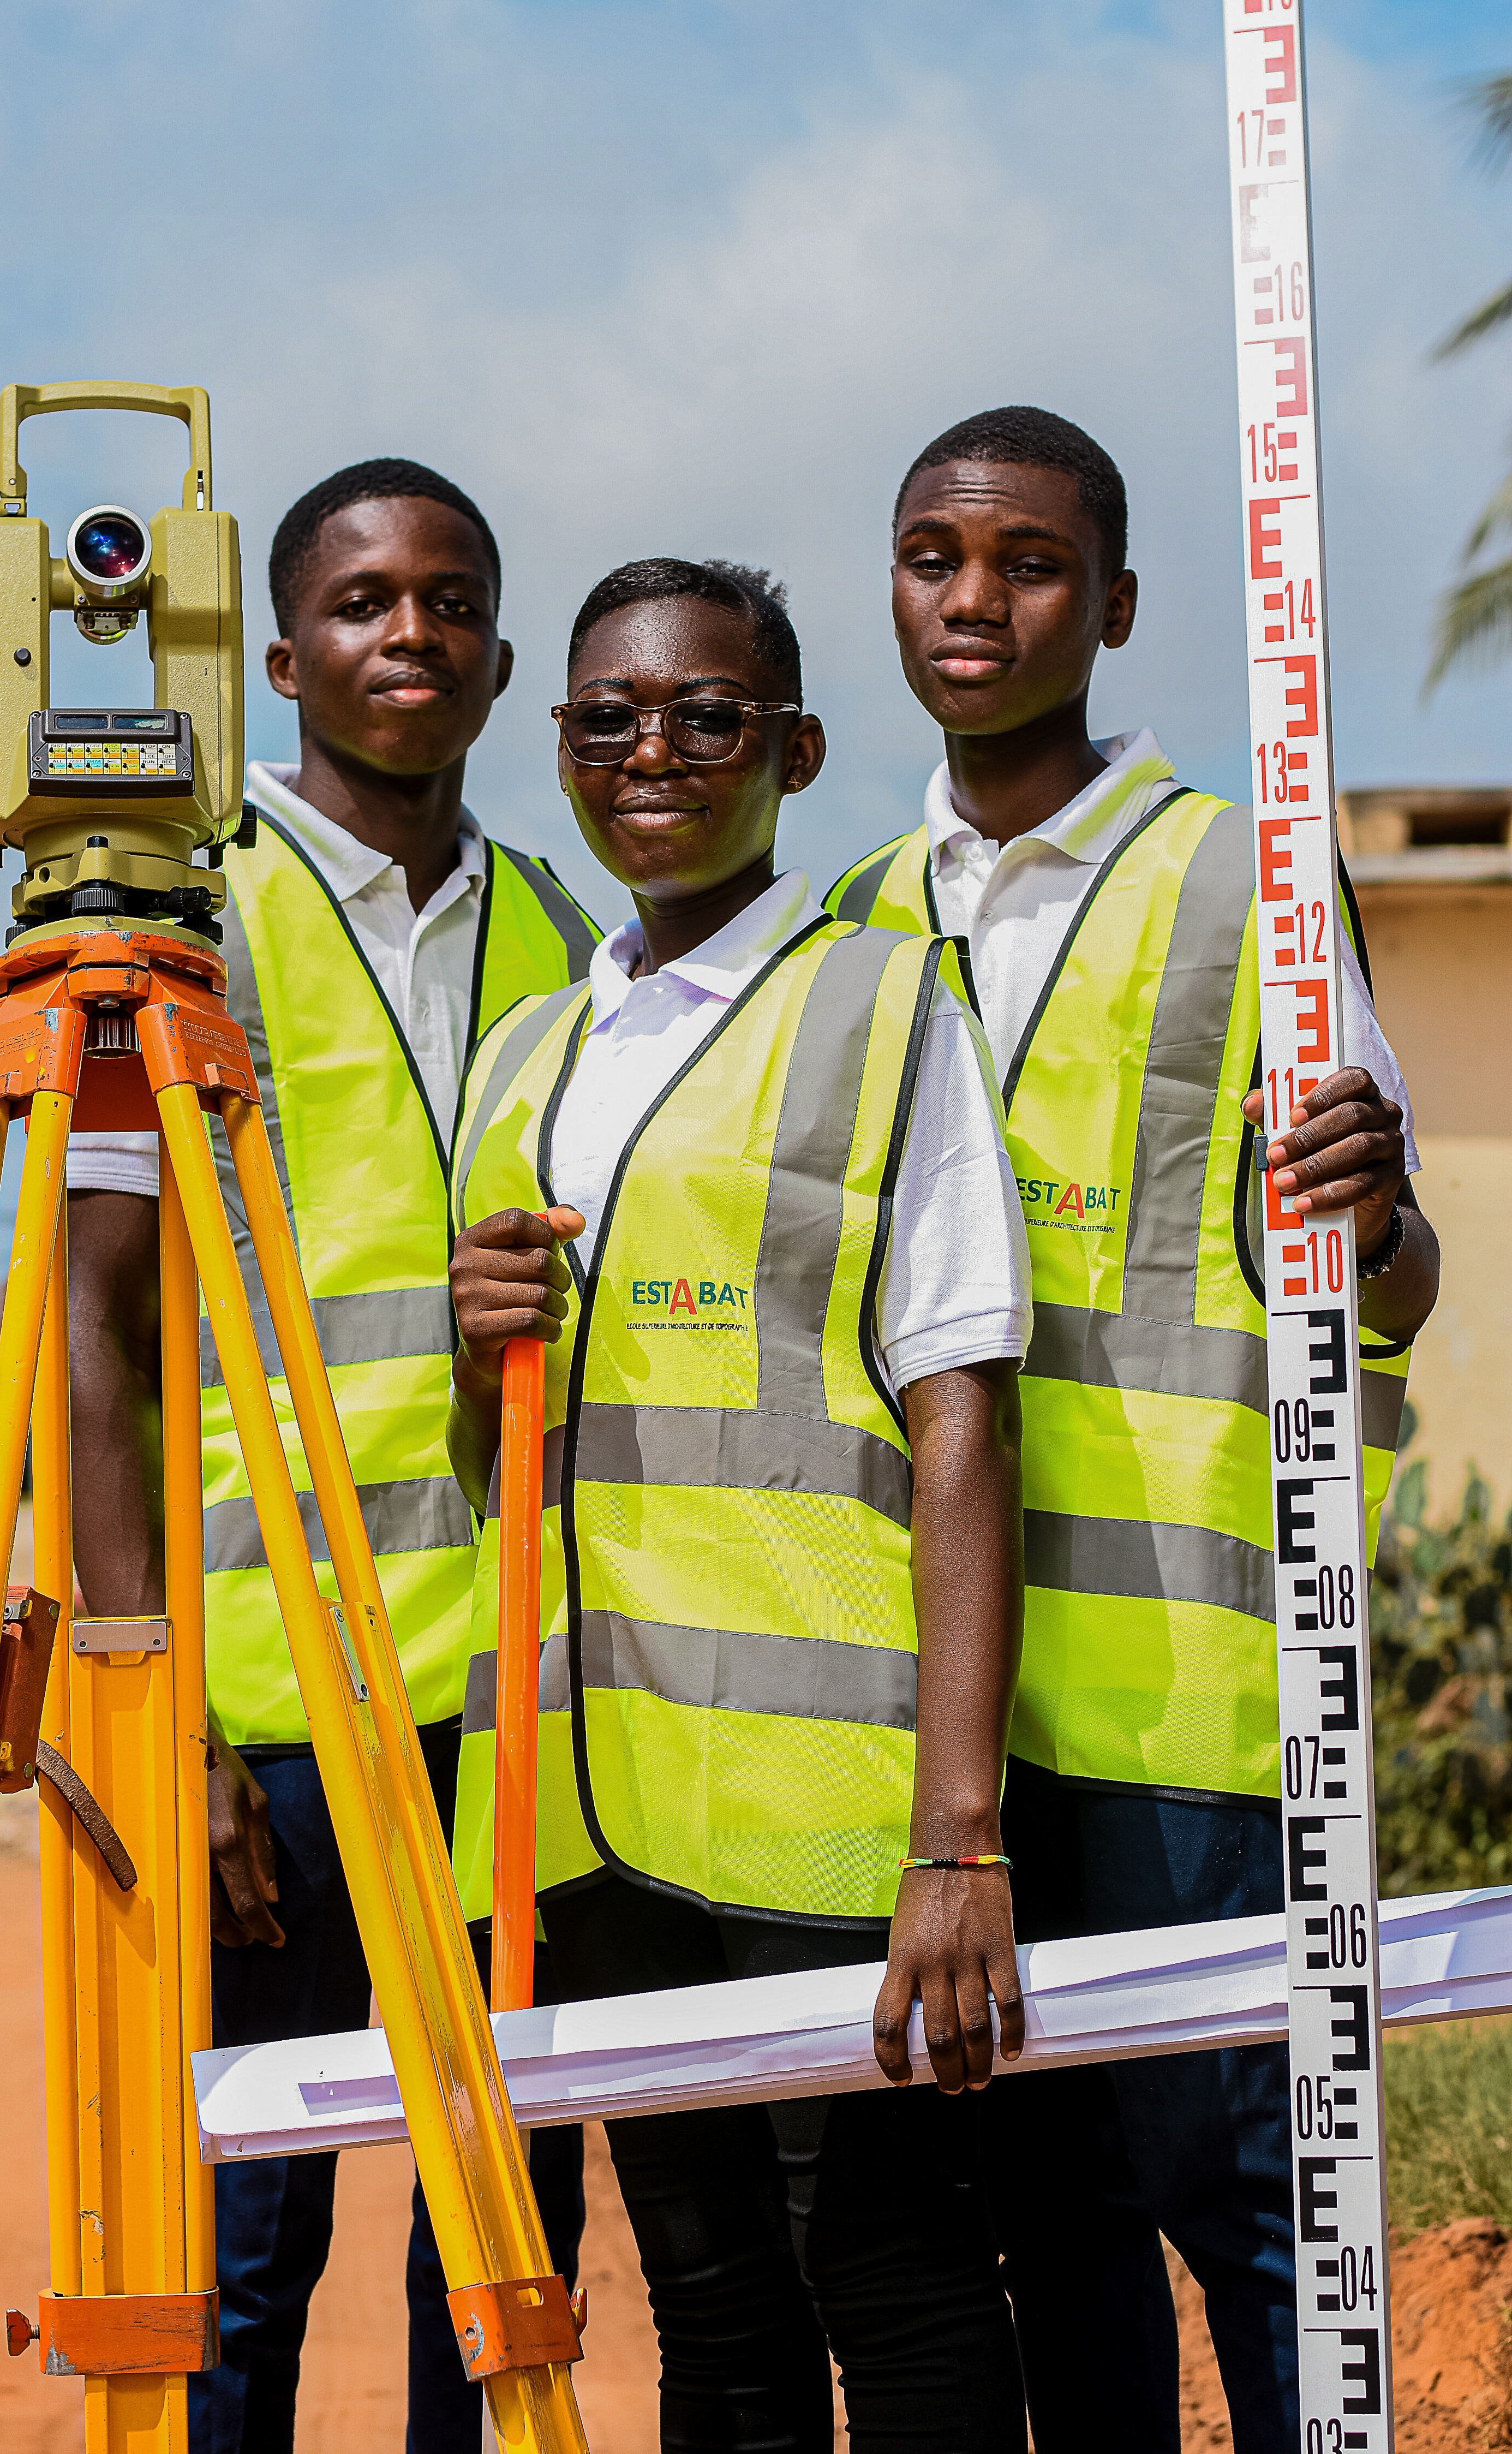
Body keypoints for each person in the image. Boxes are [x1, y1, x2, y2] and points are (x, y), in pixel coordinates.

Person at [825, 406, 1441, 2454]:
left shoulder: (1249, 877)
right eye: (935, 556)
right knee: (1046, 2225)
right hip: (937, 1718)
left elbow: (1396, 1277)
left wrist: (1381, 1210)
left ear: (1118, 604)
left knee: (1249, 2209)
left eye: (1028, 562)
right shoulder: (844, 909)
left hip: (1193, 1695)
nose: (974, 599)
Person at [446, 555, 1035, 2453]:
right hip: (586, 1815)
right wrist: (480, 1352)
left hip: (824, 1823)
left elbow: (964, 1415)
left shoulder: (879, 1004)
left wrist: (959, 1839)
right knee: (708, 2310)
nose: (652, 752)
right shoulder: (530, 1049)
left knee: (901, 2286)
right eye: (608, 718)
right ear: (561, 750)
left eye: (704, 716)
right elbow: (508, 1471)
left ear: (790, 747)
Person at [67, 458, 594, 2453]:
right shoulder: (183, 916)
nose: (411, 635)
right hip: (269, 1712)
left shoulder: (559, 918)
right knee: (248, 2252)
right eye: (366, 603)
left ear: (498, 658)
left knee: (494, 2234)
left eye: (449, 603)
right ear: (279, 655)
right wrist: (160, 1708)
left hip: (510, 1705)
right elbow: (94, 1340)